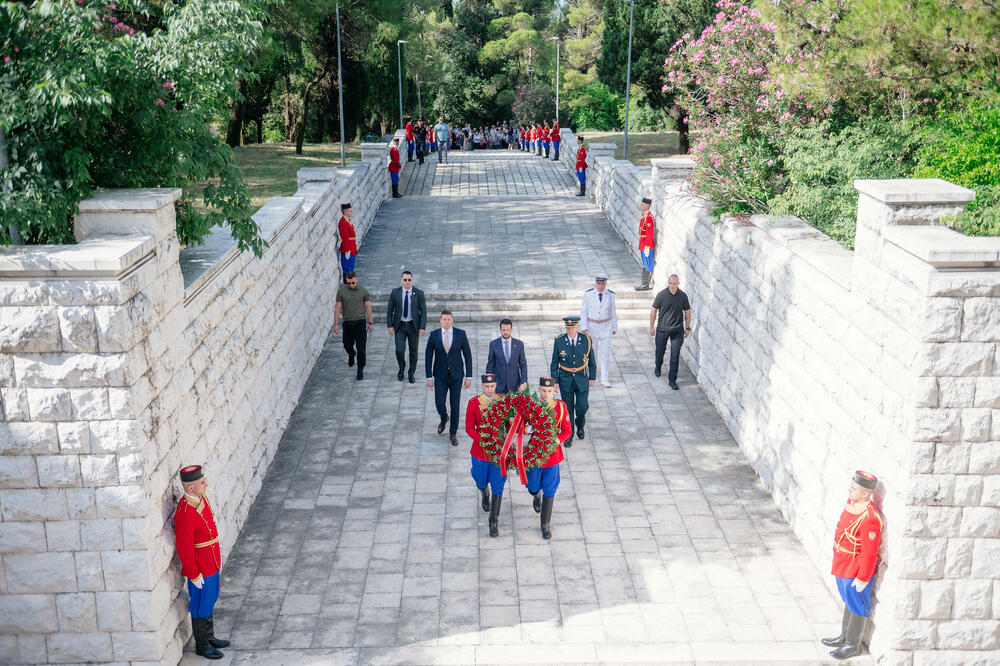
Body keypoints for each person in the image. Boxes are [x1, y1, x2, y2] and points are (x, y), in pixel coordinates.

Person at [822, 471, 883, 660]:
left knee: (857, 605)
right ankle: (844, 636)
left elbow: (870, 552)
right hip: (843, 563)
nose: (850, 490)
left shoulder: (870, 517)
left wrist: (863, 577)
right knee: (849, 600)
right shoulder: (853, 504)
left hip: (855, 569)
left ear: (865, 493)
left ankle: (852, 645)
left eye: (854, 488)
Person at [174, 465, 229, 660]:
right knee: (201, 604)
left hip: (211, 561)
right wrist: (193, 573)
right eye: (202, 483)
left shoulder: (199, 499)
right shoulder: (185, 512)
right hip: (200, 567)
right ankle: (202, 645)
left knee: (210, 598)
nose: (206, 485)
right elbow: (184, 547)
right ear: (190, 488)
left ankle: (209, 637)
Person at [525, 377, 572, 539]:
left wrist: (557, 440)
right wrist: (529, 428)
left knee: (550, 488)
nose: (546, 394)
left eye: (550, 391)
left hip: (552, 455)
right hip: (535, 453)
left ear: (554, 391)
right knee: (532, 485)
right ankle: (535, 496)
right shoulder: (532, 406)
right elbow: (521, 426)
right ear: (539, 390)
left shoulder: (560, 407)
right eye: (544, 391)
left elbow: (567, 430)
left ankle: (545, 524)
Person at [466, 373, 506, 537]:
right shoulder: (473, 403)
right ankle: (484, 493)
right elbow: (469, 428)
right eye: (487, 386)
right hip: (480, 452)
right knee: (480, 479)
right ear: (482, 386)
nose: (489, 389)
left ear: (496, 385)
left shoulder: (503, 401)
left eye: (492, 386)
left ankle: (493, 521)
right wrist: (482, 439)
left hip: (498, 453)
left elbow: (509, 422)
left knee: (498, 484)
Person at [426, 310, 473, 446]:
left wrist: (469, 376)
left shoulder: (461, 334)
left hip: (456, 375)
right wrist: (429, 377)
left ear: (452, 320)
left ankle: (453, 433)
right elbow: (428, 356)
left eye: (448, 319)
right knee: (439, 402)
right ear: (440, 320)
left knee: (455, 404)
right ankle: (444, 417)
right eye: (444, 319)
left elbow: (468, 356)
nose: (446, 322)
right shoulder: (434, 335)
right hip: (440, 375)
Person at [550, 315, 595, 446]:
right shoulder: (559, 341)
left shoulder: (586, 339)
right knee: (568, 409)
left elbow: (592, 360)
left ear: (578, 327)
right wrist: (555, 381)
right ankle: (569, 435)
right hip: (566, 378)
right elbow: (554, 362)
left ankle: (580, 424)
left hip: (581, 378)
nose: (570, 331)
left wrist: (592, 377)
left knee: (582, 407)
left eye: (573, 328)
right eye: (568, 328)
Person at [649, 274, 692, 390]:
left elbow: (687, 312)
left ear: (678, 283)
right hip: (662, 329)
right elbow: (654, 310)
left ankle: (672, 380)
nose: (672, 286)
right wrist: (652, 326)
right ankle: (658, 366)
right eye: (670, 283)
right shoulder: (661, 295)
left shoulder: (683, 296)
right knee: (660, 351)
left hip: (677, 330)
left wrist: (687, 328)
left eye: (674, 283)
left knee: (675, 356)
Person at [387, 270, 427, 383]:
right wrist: (390, 325)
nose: (407, 282)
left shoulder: (418, 293)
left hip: (413, 326)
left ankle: (411, 373)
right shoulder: (395, 293)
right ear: (401, 280)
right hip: (400, 326)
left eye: (409, 280)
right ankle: (402, 368)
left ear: (412, 280)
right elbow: (390, 310)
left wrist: (422, 327)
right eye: (405, 280)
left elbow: (423, 311)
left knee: (413, 351)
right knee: (400, 350)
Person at [579, 273, 618, 388]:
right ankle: (592, 376)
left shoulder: (610, 295)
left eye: (603, 284)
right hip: (592, 326)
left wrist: (614, 326)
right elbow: (584, 311)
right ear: (596, 283)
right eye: (599, 284)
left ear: (606, 284)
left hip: (606, 326)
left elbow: (613, 311)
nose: (601, 286)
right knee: (592, 353)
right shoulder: (588, 294)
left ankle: (605, 379)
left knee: (605, 353)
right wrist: (583, 326)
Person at [333, 271, 373, 381]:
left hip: (360, 322)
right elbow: (337, 308)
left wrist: (370, 323)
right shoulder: (341, 291)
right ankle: (351, 354)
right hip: (347, 323)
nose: (351, 285)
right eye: (349, 283)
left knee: (361, 348)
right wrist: (335, 324)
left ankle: (360, 369)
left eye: (353, 283)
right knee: (347, 345)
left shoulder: (363, 291)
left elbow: (368, 307)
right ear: (346, 280)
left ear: (357, 279)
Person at [485, 318, 528, 394]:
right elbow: (490, 365)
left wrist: (523, 382)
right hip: (498, 385)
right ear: (500, 329)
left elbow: (523, 365)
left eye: (508, 330)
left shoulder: (519, 344)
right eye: (503, 330)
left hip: (515, 385)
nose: (506, 332)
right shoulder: (493, 344)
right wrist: (489, 383)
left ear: (511, 330)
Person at [636, 197, 655, 290]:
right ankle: (643, 283)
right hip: (643, 244)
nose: (641, 206)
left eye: (643, 205)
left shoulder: (648, 217)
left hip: (647, 245)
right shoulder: (645, 215)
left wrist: (647, 246)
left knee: (648, 264)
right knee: (645, 263)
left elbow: (649, 233)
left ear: (648, 206)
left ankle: (645, 285)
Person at [337, 203, 357, 281]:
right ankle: (348, 283)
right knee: (348, 268)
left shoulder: (347, 220)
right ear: (345, 212)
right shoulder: (343, 222)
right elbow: (345, 238)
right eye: (350, 211)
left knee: (350, 266)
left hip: (351, 247)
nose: (352, 212)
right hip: (348, 249)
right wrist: (347, 250)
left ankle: (350, 282)